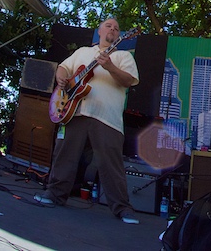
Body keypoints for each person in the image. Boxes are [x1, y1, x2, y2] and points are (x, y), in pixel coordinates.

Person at [35, 18, 141, 224]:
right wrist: (61, 78)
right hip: (75, 111)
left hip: (107, 117)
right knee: (64, 153)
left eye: (117, 28)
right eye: (109, 26)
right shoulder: (82, 51)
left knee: (111, 163)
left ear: (120, 36)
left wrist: (110, 66)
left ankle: (122, 207)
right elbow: (64, 68)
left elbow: (128, 80)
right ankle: (54, 194)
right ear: (100, 30)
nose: (113, 29)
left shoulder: (123, 56)